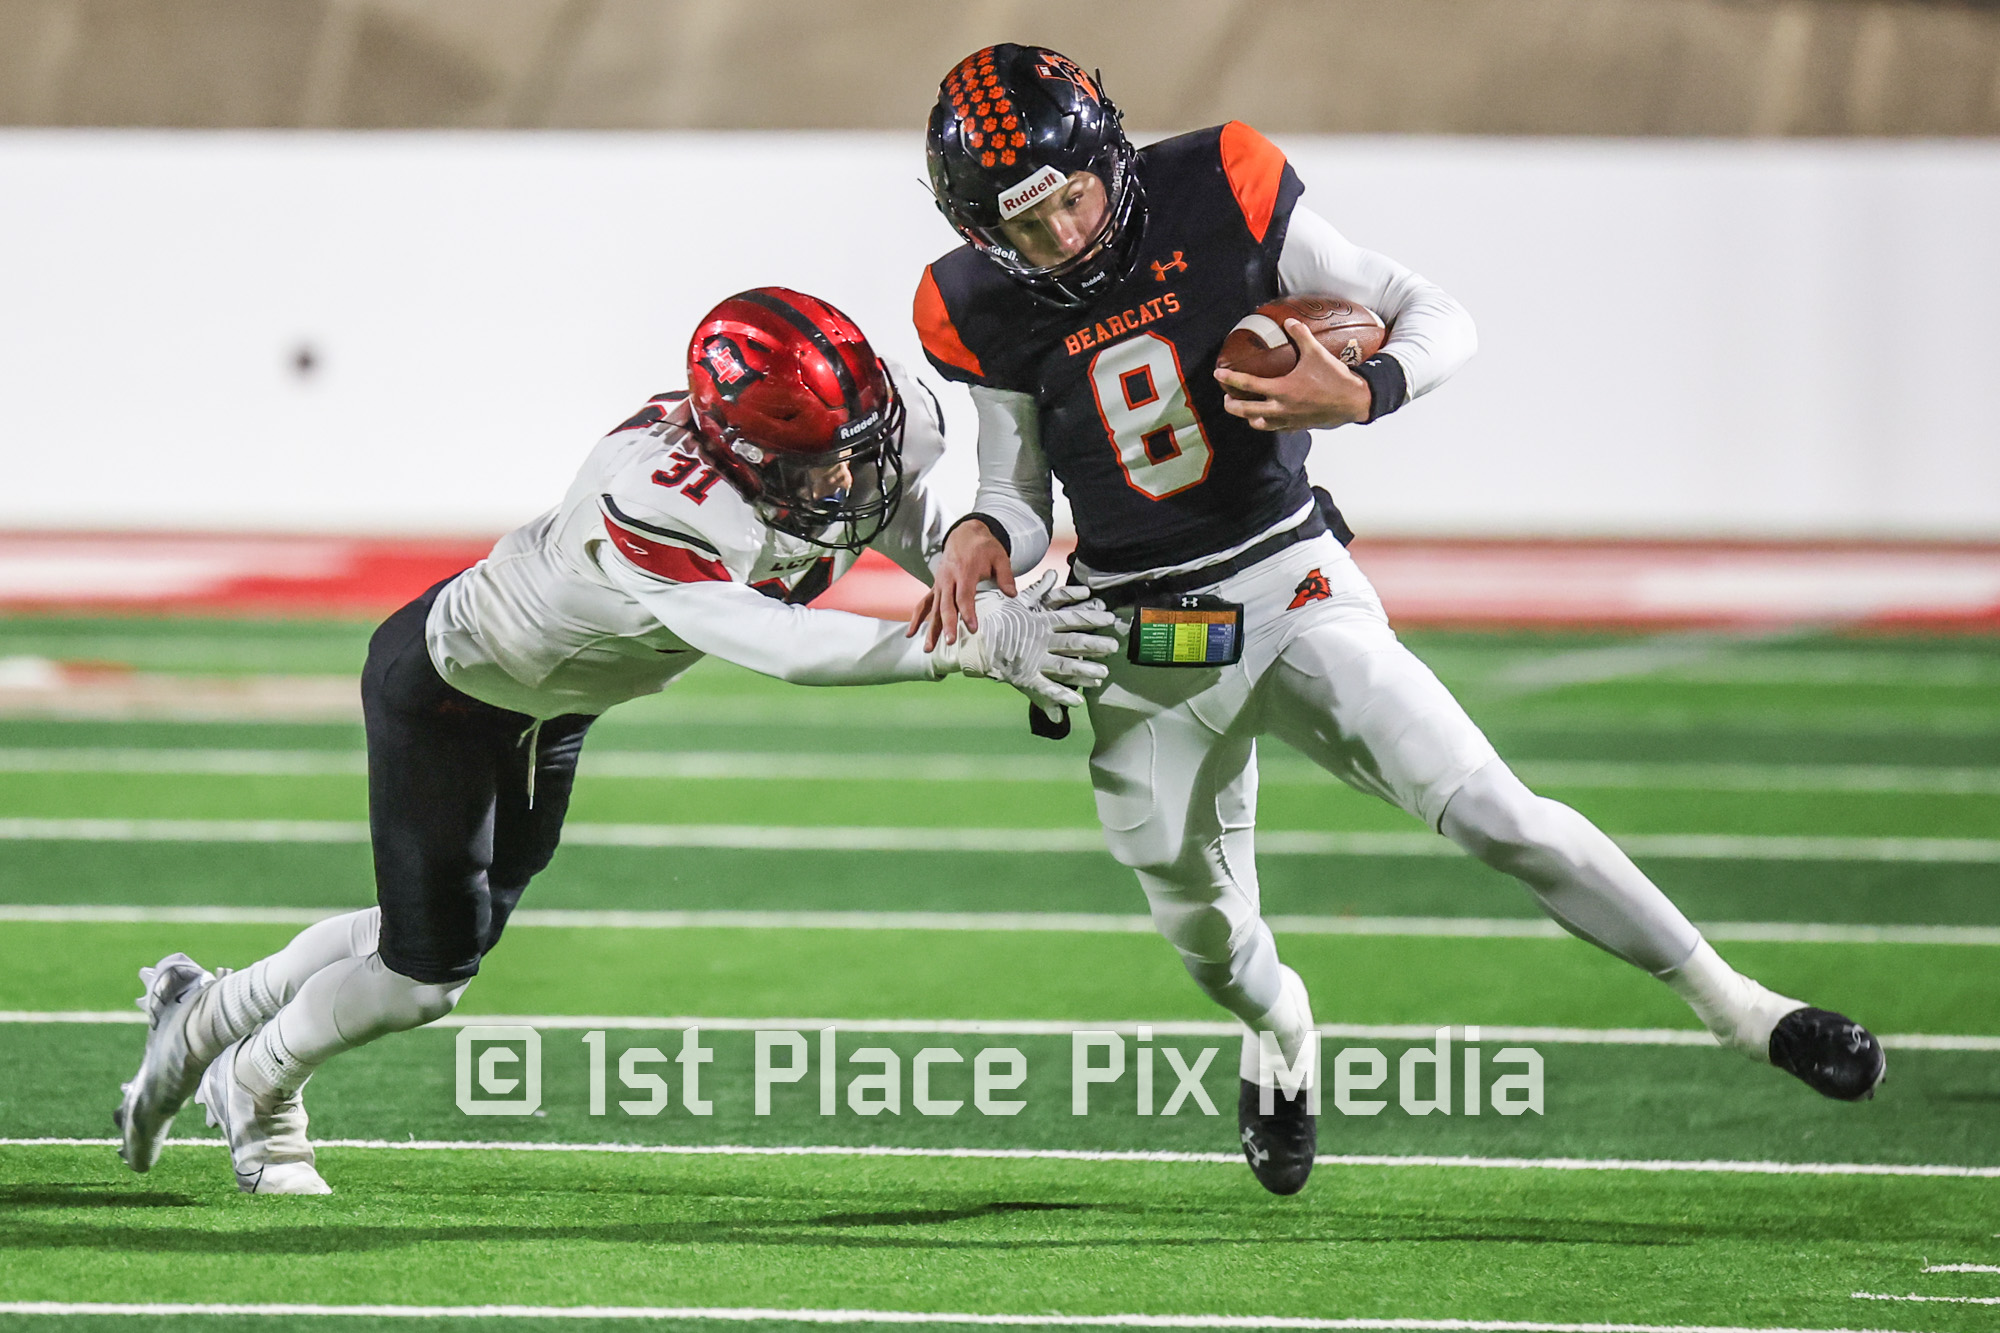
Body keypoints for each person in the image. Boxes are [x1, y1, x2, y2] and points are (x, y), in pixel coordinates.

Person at [909, 44, 1884, 1196]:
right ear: (983, 235)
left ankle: (1741, 1010)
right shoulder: (967, 303)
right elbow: (1018, 494)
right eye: (1027, 229)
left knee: (1493, 812)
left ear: (1107, 155)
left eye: (1071, 199)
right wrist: (984, 533)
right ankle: (1281, 1038)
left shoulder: (1219, 178)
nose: (1064, 238)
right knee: (1211, 945)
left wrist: (1363, 391)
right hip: (1138, 635)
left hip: (1287, 577)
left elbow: (1435, 313)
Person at [116, 286, 1116, 1194]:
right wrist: (960, 647)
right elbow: (779, 640)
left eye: (858, 440)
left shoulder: (863, 419)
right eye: (818, 461)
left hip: (552, 706)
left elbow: (900, 503)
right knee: (426, 976)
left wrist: (984, 590)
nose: (846, 470)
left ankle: (199, 1011)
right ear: (739, 452)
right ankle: (256, 1087)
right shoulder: (651, 497)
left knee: (436, 937)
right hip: (456, 690)